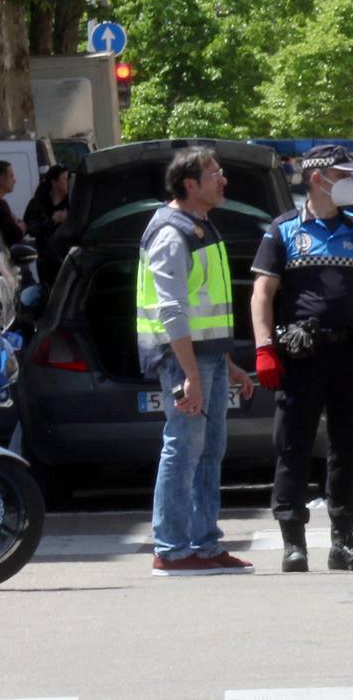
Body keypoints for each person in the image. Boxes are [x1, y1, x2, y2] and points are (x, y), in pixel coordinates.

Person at [249, 145, 353, 574]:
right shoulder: (282, 231)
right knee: (293, 447)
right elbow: (263, 293)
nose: (350, 182)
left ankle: (343, 540)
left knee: (348, 447)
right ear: (318, 179)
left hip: (351, 352)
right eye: (343, 174)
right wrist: (264, 348)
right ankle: (293, 541)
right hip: (301, 356)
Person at [137, 147, 258, 576]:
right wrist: (191, 374)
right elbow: (172, 312)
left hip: (205, 358)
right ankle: (170, 549)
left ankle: (204, 545)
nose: (223, 181)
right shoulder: (173, 232)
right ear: (190, 184)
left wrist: (227, 365)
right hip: (181, 360)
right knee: (184, 450)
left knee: (207, 452)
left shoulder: (201, 227)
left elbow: (208, 310)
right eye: (215, 174)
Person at [23, 165, 70, 284]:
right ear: (54, 182)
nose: (68, 182)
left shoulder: (72, 202)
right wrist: (53, 221)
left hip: (70, 260)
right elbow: (32, 230)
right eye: (65, 179)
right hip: (47, 263)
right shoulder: (38, 204)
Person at [0, 160, 26, 247]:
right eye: (11, 176)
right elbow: (15, 235)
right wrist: (21, 227)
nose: (15, 181)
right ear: (1, 179)